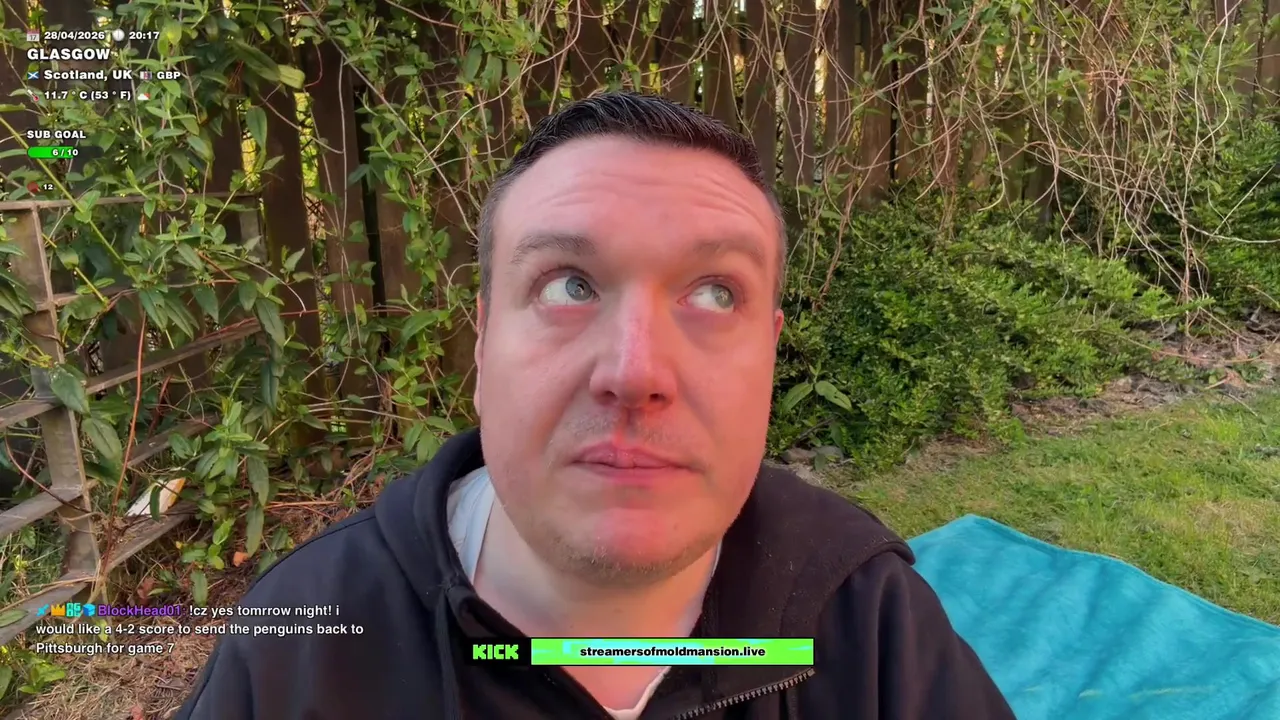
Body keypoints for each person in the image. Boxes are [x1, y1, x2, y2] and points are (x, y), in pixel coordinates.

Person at [173, 91, 1014, 719]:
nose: (635, 371)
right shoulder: (301, 649)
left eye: (715, 294)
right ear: (482, 341)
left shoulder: (870, 628)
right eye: (569, 285)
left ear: (770, 354)